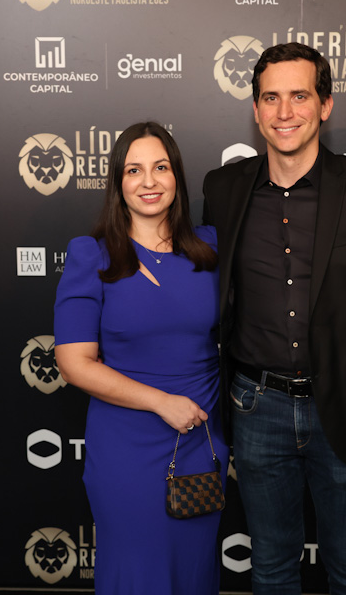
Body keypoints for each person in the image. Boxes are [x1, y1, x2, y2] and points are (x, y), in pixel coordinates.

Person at [202, 43, 346, 594]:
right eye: (270, 98)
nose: (285, 112)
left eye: (299, 96)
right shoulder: (222, 190)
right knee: (271, 566)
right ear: (255, 110)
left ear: (325, 105)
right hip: (255, 407)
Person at [54, 121, 228, 595]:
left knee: (193, 575)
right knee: (137, 575)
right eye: (134, 170)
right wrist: (160, 402)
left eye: (160, 167)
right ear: (118, 181)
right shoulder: (92, 256)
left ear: (177, 177)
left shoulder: (211, 248)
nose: (149, 181)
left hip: (200, 442)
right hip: (126, 449)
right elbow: (73, 363)